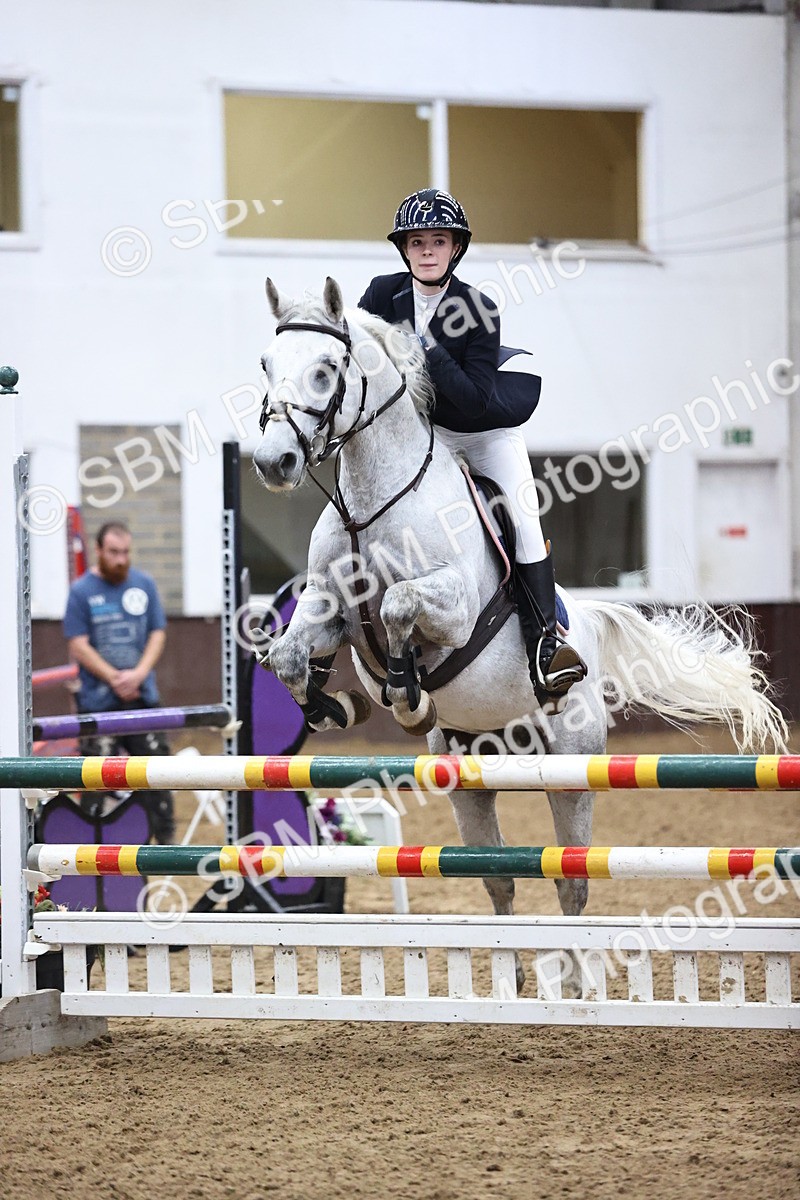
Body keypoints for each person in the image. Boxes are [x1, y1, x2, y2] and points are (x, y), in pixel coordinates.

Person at [358, 188, 587, 702]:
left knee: (524, 520)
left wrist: (427, 348)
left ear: (455, 248)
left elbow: (473, 398)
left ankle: (546, 644)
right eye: (417, 242)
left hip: (482, 434)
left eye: (438, 241)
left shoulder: (478, 308)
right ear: (405, 250)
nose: (427, 251)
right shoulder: (379, 295)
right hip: (423, 438)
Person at [63, 521, 175, 842]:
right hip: (99, 703)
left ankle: (166, 848)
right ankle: (90, 851)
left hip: (143, 698)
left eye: (125, 552)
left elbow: (157, 633)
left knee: (158, 777)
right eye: (113, 552)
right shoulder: (81, 592)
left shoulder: (144, 584)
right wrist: (113, 677)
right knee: (95, 782)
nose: (121, 559)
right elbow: (78, 644)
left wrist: (138, 674)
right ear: (98, 551)